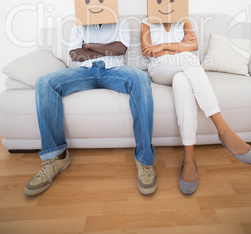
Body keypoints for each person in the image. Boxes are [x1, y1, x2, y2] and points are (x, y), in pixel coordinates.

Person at [24, 17, 157, 196]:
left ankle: (145, 160)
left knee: (141, 78)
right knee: (44, 82)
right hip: (84, 71)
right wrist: (105, 49)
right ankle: (57, 158)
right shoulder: (79, 24)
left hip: (114, 71)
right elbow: (74, 55)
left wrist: (88, 46)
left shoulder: (122, 22)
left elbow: (120, 49)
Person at [141, 17, 251, 195]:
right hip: (160, 70)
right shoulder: (146, 22)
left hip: (180, 69)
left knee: (181, 79)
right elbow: (149, 52)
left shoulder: (183, 20)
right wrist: (178, 46)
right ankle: (223, 129)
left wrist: (163, 46)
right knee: (188, 58)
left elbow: (194, 45)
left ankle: (189, 156)